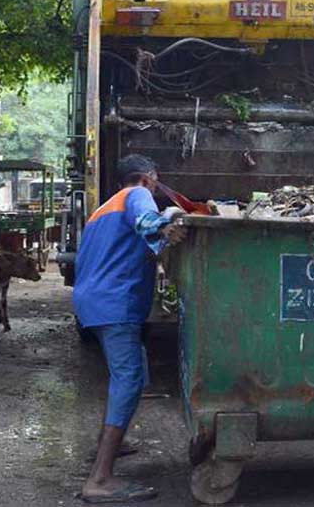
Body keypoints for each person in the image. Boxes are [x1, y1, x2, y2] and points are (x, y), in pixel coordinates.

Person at [74, 154, 186, 503]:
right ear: (147, 178)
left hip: (92, 301)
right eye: (155, 180)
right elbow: (147, 220)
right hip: (115, 302)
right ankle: (100, 479)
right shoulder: (137, 194)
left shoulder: (101, 210)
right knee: (129, 378)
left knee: (129, 371)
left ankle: (107, 444)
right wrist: (166, 225)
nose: (155, 185)